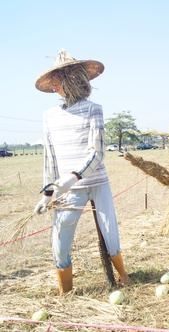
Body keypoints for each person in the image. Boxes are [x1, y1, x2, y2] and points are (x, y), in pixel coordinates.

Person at [33, 49, 129, 294]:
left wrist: (73, 176)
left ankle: (124, 277)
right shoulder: (49, 116)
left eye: (58, 83)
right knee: (60, 240)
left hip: (96, 183)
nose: (55, 88)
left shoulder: (93, 109)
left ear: (71, 80)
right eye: (53, 84)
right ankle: (66, 291)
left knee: (111, 234)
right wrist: (47, 193)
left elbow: (96, 153)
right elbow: (50, 159)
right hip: (67, 191)